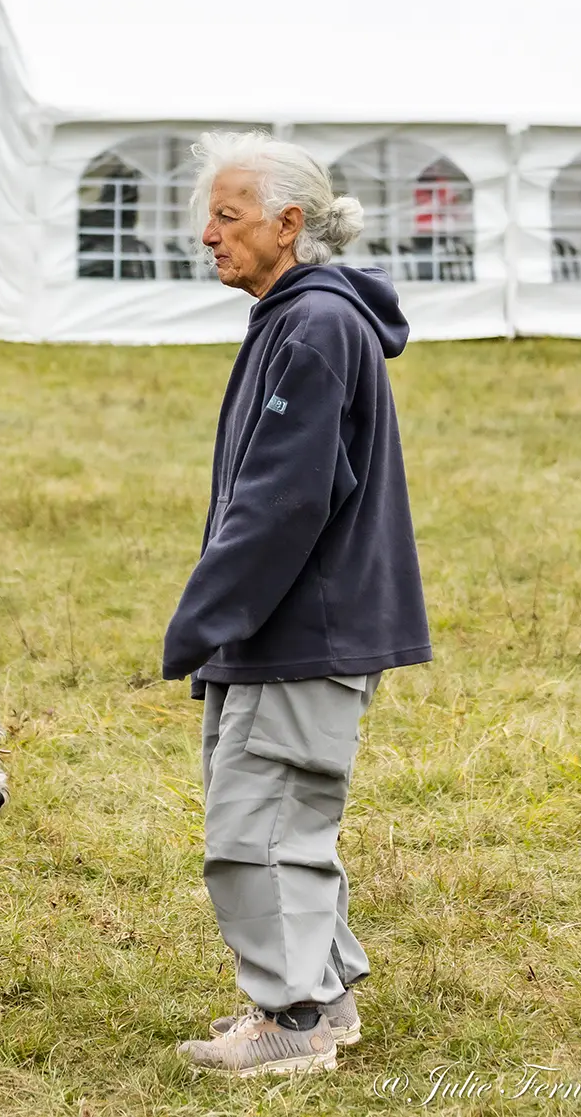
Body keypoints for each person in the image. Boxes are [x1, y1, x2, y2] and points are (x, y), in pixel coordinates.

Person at [162, 131, 431, 1079]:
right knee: (280, 812)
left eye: (227, 216)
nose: (208, 235)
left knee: (260, 823)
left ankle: (295, 1018)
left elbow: (285, 500)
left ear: (288, 223)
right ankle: (328, 993)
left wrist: (199, 617)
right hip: (283, 623)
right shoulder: (295, 317)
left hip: (301, 624)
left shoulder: (315, 327)